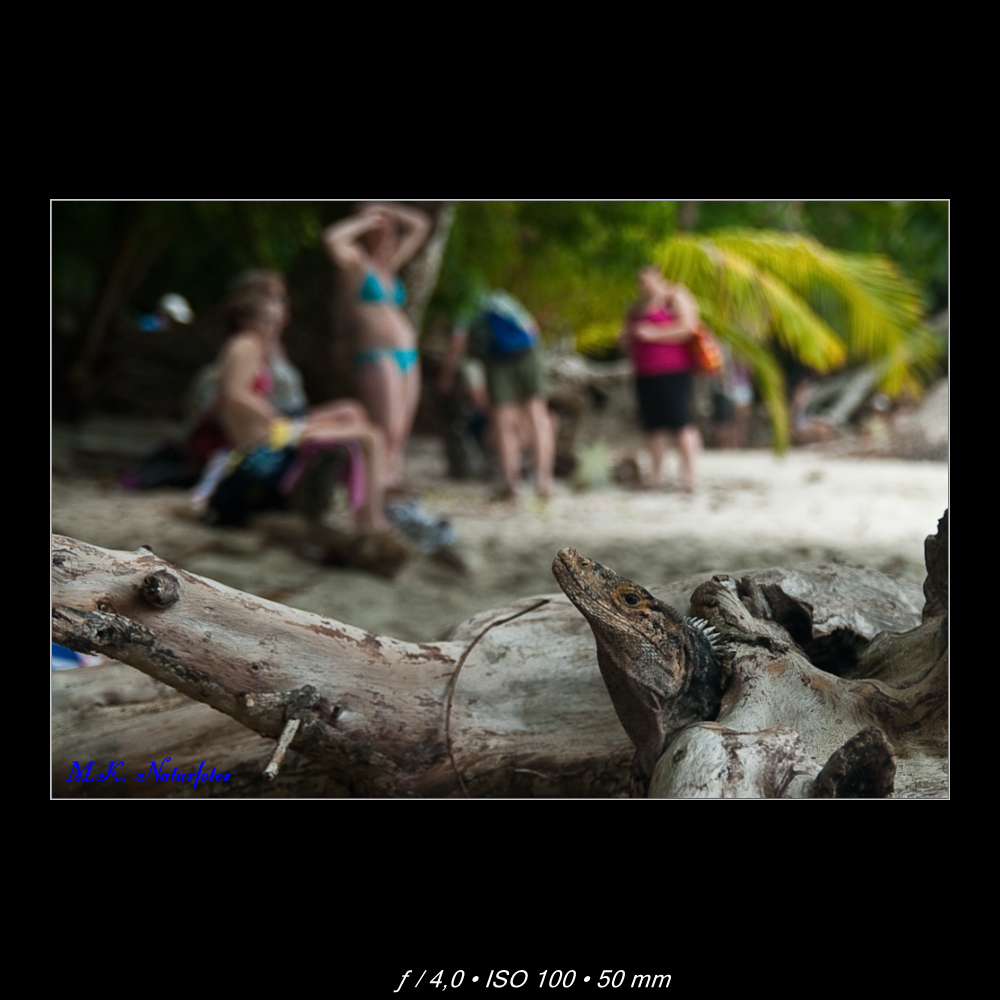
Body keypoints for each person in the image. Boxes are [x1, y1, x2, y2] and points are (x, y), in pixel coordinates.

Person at [201, 288, 391, 531]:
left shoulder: (249, 346)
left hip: (272, 434)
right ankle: (371, 521)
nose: (274, 327)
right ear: (246, 321)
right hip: (268, 442)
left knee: (351, 411)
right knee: (371, 437)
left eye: (275, 322)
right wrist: (276, 419)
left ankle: (369, 513)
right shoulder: (246, 344)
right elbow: (234, 394)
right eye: (267, 321)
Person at [322, 202, 432, 488]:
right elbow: (331, 239)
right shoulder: (356, 264)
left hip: (407, 353)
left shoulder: (390, 265)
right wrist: (366, 220)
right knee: (387, 427)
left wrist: (386, 208)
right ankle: (375, 485)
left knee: (402, 432)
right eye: (377, 231)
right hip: (376, 353)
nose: (384, 236)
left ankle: (390, 484)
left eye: (389, 230)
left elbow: (421, 225)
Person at [438, 288, 555, 500]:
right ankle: (543, 481)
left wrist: (445, 377)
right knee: (537, 415)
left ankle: (511, 484)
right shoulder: (499, 298)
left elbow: (458, 343)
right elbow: (531, 328)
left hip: (499, 361)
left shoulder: (465, 308)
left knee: (503, 421)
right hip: (529, 354)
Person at [619, 266, 702, 492]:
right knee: (652, 425)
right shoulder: (636, 305)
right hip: (644, 371)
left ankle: (689, 478)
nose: (641, 282)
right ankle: (657, 477)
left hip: (673, 369)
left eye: (644, 276)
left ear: (656, 273)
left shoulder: (674, 296)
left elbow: (689, 327)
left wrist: (654, 333)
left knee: (680, 421)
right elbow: (624, 335)